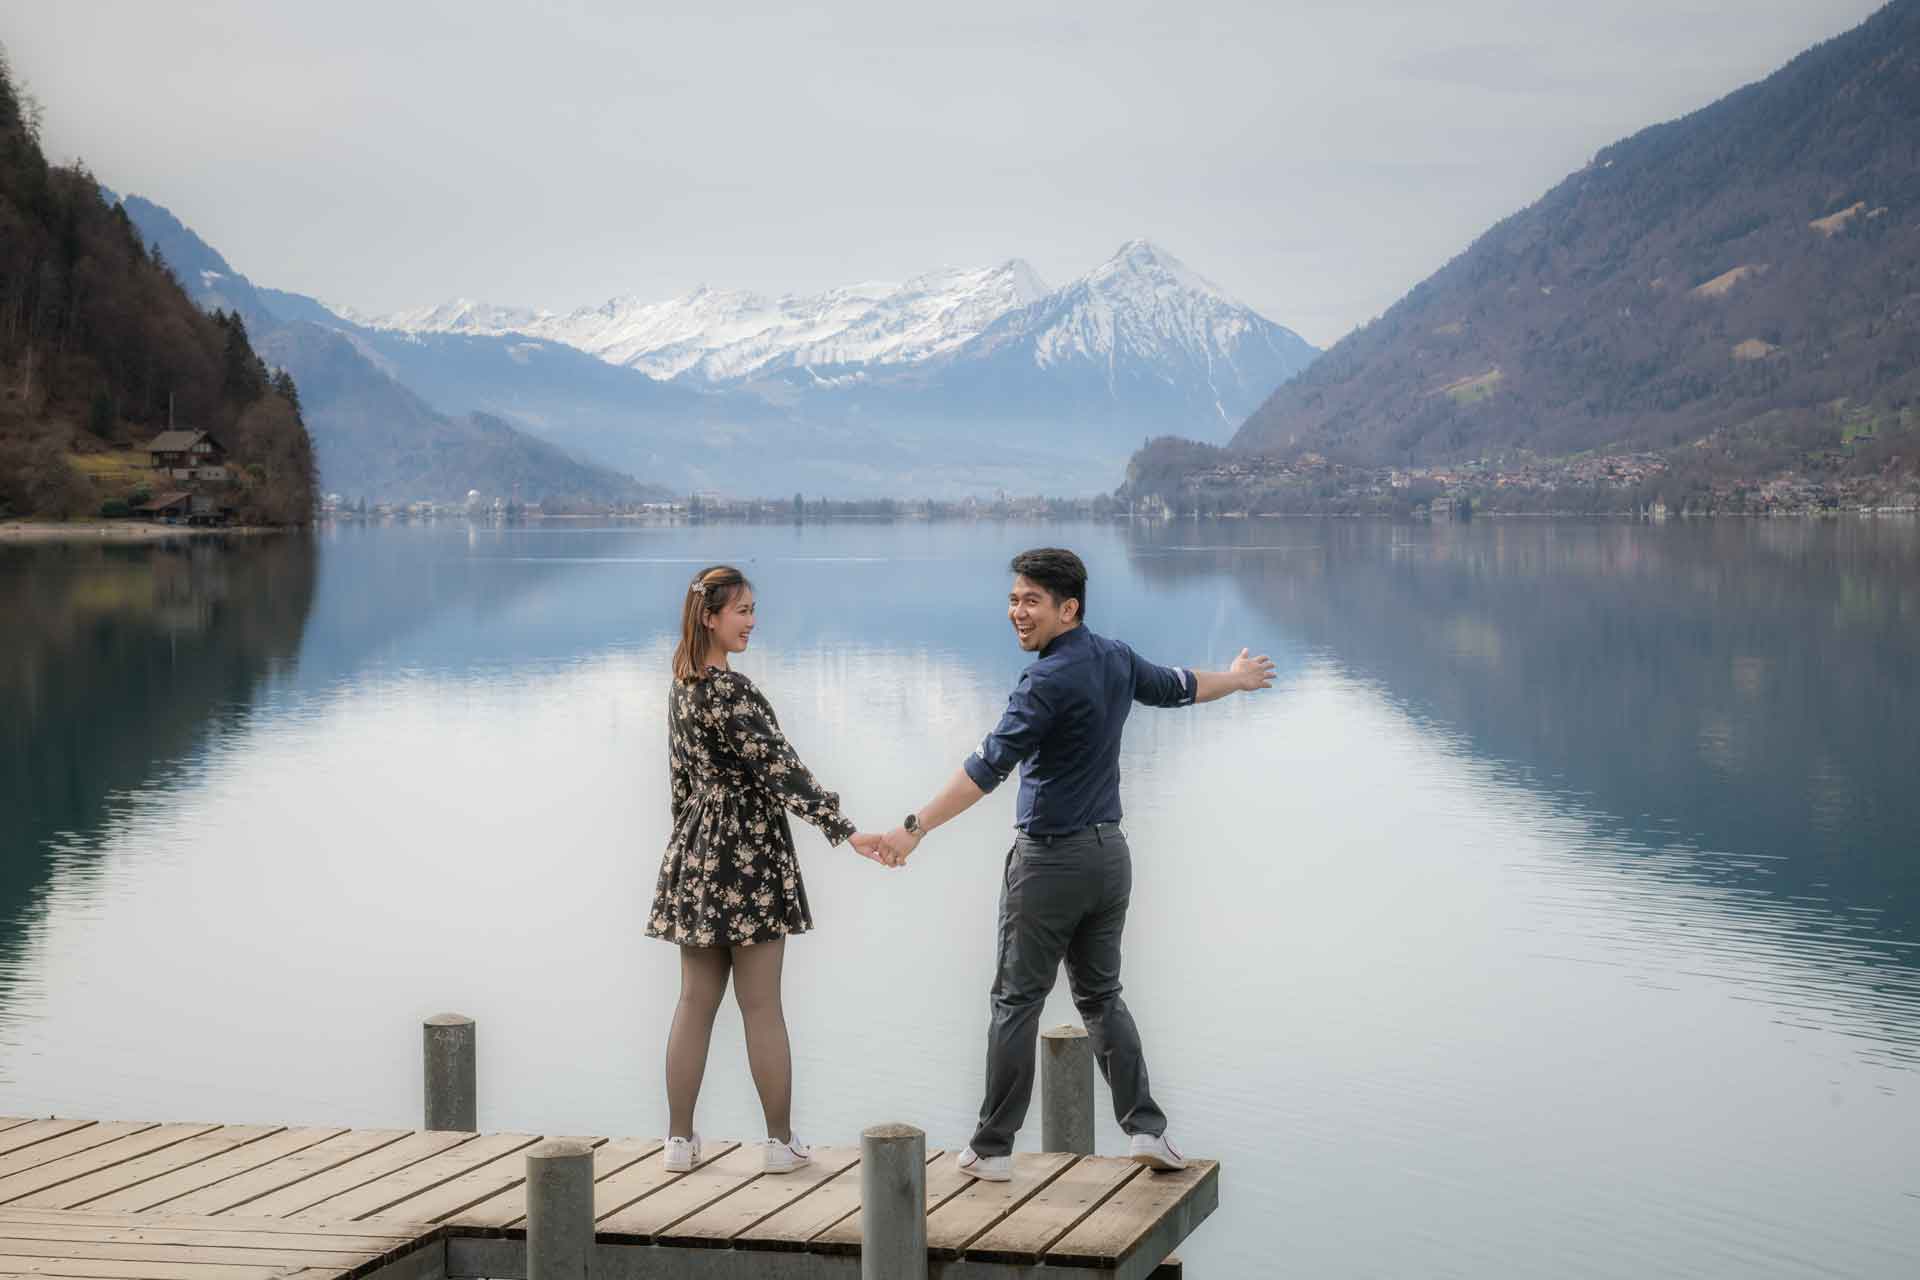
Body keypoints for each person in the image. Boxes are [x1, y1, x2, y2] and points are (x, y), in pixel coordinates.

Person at [878, 547, 1275, 1182]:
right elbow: (1179, 687)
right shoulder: (1114, 658)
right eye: (1013, 599)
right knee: (1101, 995)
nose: (1016, 612)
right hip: (1108, 857)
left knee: (1016, 1001)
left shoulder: (1044, 682)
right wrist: (1238, 678)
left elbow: (986, 769)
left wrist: (914, 828)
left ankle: (991, 1149)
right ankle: (1147, 1131)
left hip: (1049, 862)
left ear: (1069, 608)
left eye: (1031, 601)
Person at [646, 564, 884, 1175]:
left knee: (694, 1001)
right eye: (743, 611)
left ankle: (678, 1142)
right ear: (710, 616)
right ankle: (779, 1144)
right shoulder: (733, 691)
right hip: (749, 852)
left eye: (752, 610)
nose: (752, 622)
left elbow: (680, 782)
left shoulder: (681, 687)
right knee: (761, 1005)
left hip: (697, 850)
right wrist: (844, 829)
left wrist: (690, 850)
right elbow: (780, 769)